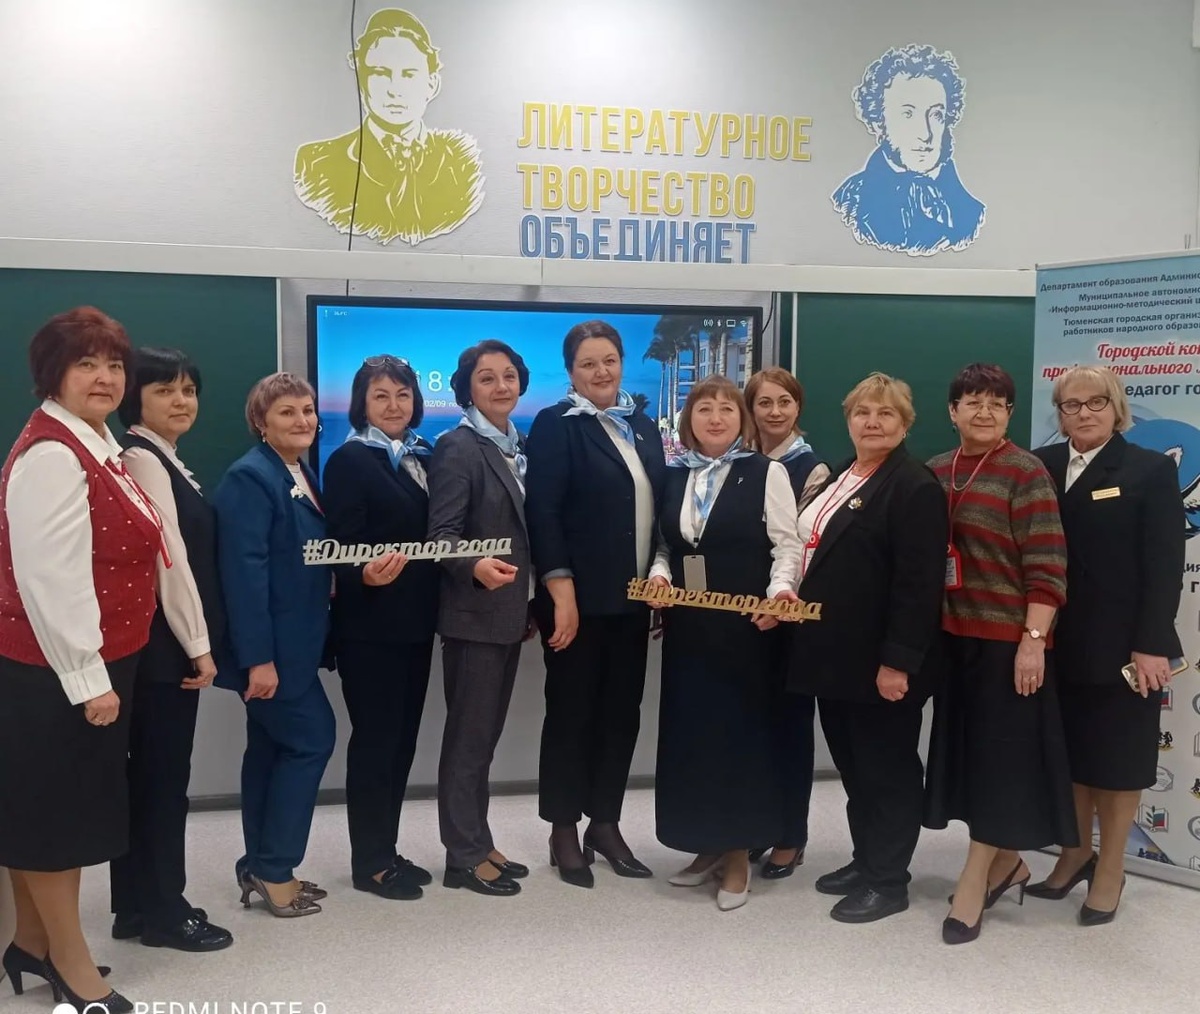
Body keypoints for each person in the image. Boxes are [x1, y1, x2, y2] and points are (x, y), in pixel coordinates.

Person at [0, 306, 165, 1013]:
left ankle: (30, 943)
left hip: (88, 663)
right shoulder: (51, 456)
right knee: (55, 825)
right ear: (53, 374)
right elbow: (50, 581)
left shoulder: (96, 444)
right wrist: (88, 679)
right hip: (53, 672)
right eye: (86, 364)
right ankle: (70, 967)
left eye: (114, 365)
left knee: (43, 812)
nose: (104, 377)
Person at [784, 373, 947, 921]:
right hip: (834, 658)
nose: (873, 422)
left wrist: (897, 663)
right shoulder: (842, 475)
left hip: (880, 663)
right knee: (856, 769)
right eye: (863, 413)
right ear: (848, 419)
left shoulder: (915, 487)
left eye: (886, 414)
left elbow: (918, 586)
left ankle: (888, 881)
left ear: (905, 423)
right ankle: (866, 859)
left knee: (887, 771)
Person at [924, 363, 1074, 945]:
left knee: (998, 765)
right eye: (972, 401)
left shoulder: (1025, 471)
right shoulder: (937, 469)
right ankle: (1008, 863)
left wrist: (1032, 643)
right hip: (952, 640)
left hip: (1008, 644)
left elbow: (1048, 566)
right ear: (953, 411)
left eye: (997, 403)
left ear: (1010, 413)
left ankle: (974, 879)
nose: (984, 412)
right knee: (971, 760)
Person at [1030, 366, 1185, 924]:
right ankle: (1075, 853)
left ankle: (1112, 868)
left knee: (1118, 762)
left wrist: (1151, 643)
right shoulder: (1039, 465)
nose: (1084, 413)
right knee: (1070, 757)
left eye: (1096, 402)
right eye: (1071, 405)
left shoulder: (1149, 470)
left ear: (1117, 408)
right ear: (1059, 413)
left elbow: (1164, 566)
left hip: (1123, 649)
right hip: (1051, 643)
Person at [650, 375, 802, 912]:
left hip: (747, 631)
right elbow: (667, 545)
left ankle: (738, 852)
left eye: (726, 410)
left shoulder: (766, 472)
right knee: (695, 738)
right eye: (704, 410)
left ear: (742, 420)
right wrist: (659, 575)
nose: (715, 418)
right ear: (689, 420)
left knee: (740, 739)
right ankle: (708, 845)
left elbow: (788, 545)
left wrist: (780, 592)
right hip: (689, 631)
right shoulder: (674, 476)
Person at [525, 320, 667, 888]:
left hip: (632, 601)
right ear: (570, 372)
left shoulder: (643, 425)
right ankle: (563, 828)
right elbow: (543, 513)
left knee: (621, 715)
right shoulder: (555, 424)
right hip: (576, 603)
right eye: (588, 363)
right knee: (571, 714)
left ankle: (604, 823)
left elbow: (660, 509)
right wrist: (560, 592)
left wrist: (661, 579)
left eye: (609, 360)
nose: (601, 371)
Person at [108, 348, 233, 952]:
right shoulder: (142, 457)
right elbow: (169, 558)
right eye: (164, 390)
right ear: (135, 398)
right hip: (164, 649)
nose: (181, 401)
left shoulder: (165, 458)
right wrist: (199, 645)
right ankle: (165, 912)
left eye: (188, 389)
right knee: (163, 783)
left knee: (149, 780)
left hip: (159, 647)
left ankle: (135, 907)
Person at [213, 373, 335, 918]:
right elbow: (244, 576)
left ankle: (259, 865)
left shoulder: (298, 470)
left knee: (268, 750)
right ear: (260, 422)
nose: (303, 420)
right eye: (287, 412)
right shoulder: (251, 477)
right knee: (312, 740)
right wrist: (257, 659)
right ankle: (275, 868)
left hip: (296, 647)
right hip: (273, 654)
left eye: (308, 409)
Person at [323, 355, 439, 901]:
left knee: (401, 743)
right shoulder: (350, 460)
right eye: (381, 396)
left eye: (403, 395)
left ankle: (386, 850)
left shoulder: (421, 457)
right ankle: (368, 862)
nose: (394, 406)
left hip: (415, 623)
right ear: (361, 404)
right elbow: (339, 545)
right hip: (369, 628)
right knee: (375, 744)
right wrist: (361, 571)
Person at [427, 340, 533, 897]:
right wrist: (474, 566)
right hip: (473, 617)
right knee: (468, 742)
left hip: (509, 615)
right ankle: (462, 857)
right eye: (486, 378)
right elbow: (441, 538)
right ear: (466, 388)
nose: (500, 386)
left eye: (509, 376)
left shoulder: (518, 444)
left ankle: (478, 840)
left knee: (483, 740)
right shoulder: (458, 447)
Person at [294, 8, 484, 246]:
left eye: (408, 74)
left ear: (432, 84)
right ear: (361, 81)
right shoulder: (315, 163)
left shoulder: (461, 164)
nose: (395, 89)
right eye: (380, 73)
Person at [744, 366, 830, 879]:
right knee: (755, 728)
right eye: (764, 403)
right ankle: (760, 823)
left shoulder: (812, 471)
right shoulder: (740, 461)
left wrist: (779, 601)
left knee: (790, 727)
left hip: (788, 616)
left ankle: (791, 836)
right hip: (743, 617)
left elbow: (801, 547)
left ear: (798, 407)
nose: (774, 412)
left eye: (784, 402)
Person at [832, 44, 985, 255]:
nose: (926, 134)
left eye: (936, 115)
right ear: (878, 122)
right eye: (908, 114)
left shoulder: (973, 213)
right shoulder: (848, 202)